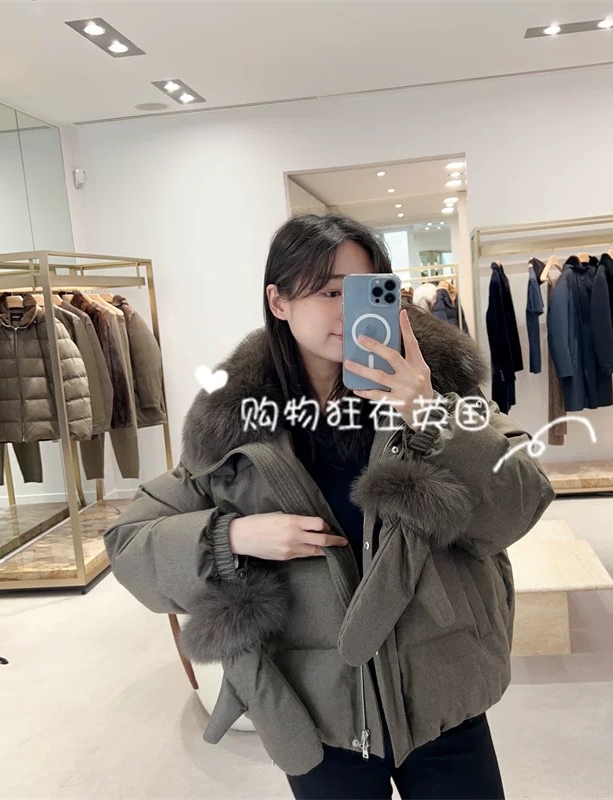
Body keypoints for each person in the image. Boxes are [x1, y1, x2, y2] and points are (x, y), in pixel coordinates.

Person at [104, 213, 555, 800]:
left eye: (366, 290)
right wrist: (233, 537)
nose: (348, 310)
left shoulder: (438, 387)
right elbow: (129, 542)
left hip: (445, 696)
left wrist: (432, 414)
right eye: (329, 291)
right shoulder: (233, 425)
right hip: (321, 715)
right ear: (279, 301)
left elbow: (521, 505)